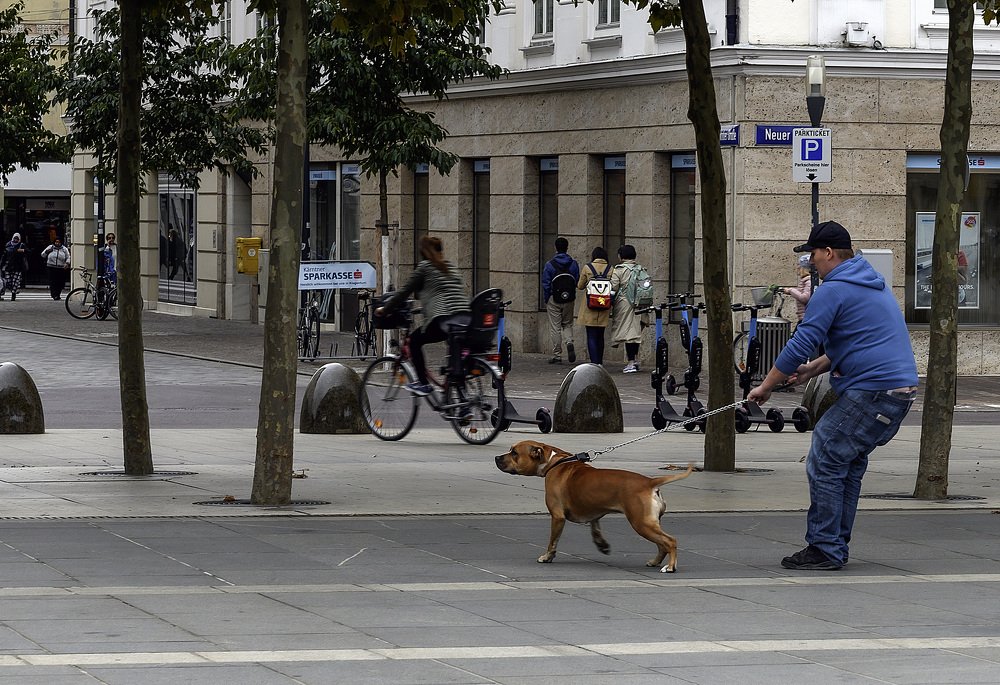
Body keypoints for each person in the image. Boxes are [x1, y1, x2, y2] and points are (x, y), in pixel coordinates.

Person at [748, 220, 918, 571]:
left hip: (873, 390)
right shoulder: (871, 283)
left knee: (825, 457)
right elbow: (858, 339)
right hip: (895, 390)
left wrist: (766, 385)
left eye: (813, 255)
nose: (811, 262)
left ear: (828, 252)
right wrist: (814, 369)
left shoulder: (834, 288)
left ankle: (825, 548)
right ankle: (833, 545)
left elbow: (801, 342)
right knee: (846, 464)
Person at [376, 235, 470, 396]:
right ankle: (463, 402)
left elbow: (403, 293)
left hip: (443, 319)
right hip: (465, 317)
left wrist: (384, 309)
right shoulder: (451, 267)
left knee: (414, 341)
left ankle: (422, 383)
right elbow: (442, 292)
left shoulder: (425, 267)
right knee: (455, 361)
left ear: (423, 252)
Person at [609, 244, 648, 373]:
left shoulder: (619, 270)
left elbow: (613, 287)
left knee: (629, 335)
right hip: (640, 305)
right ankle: (635, 360)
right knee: (635, 333)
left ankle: (631, 362)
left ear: (621, 256)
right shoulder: (640, 269)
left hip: (625, 305)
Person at [540, 237, 578, 365]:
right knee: (567, 323)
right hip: (569, 298)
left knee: (555, 327)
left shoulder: (550, 265)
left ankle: (557, 354)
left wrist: (547, 298)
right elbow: (576, 280)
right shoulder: (573, 263)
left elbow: (545, 283)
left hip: (553, 298)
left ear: (556, 248)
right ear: (567, 248)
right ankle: (569, 342)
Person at [576, 246, 612, 365]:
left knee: (591, 335)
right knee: (600, 336)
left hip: (589, 305)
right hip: (604, 305)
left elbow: (580, 286)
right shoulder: (610, 269)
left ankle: (594, 362)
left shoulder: (588, 268)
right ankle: (600, 362)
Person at [782, 253, 814, 324]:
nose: (797, 269)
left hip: (805, 318)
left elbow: (805, 298)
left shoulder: (809, 281)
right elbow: (802, 293)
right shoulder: (805, 280)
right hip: (803, 317)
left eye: (799, 266)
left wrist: (791, 290)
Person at [1, 233, 29, 301]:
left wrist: (22, 250)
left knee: (15, 282)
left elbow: (28, 252)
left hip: (18, 267)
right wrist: (1, 264)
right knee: (8, 281)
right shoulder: (8, 245)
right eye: (14, 238)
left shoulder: (22, 245)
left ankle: (13, 295)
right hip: (8, 266)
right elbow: (4, 256)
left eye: (17, 238)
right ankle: (14, 290)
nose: (15, 240)